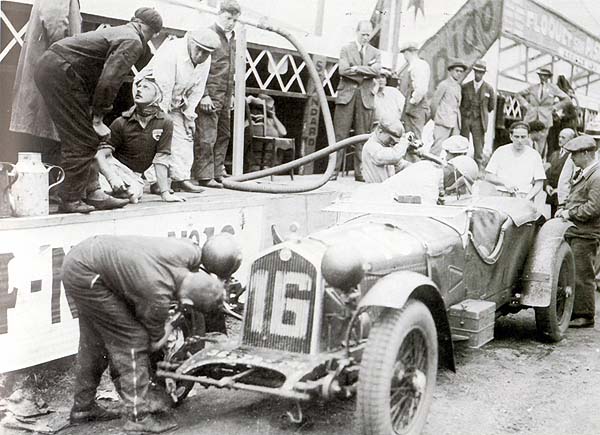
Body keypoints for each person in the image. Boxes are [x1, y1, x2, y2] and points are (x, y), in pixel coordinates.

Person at [62, 235, 225, 432]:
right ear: (189, 303)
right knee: (133, 340)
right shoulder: (157, 296)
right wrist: (173, 323)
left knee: (94, 339)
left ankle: (83, 408)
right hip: (88, 274)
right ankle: (138, 417)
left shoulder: (188, 252)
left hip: (86, 256)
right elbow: (153, 343)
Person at [34, 7, 163, 213]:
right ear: (149, 30)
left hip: (55, 67)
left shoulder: (119, 31)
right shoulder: (133, 40)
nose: (147, 41)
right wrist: (99, 117)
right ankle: (71, 199)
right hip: (61, 70)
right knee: (83, 137)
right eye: (150, 36)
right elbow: (110, 80)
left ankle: (92, 191)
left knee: (82, 134)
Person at [139, 29, 221, 193]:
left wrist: (189, 117)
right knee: (156, 135)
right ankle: (156, 181)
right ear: (190, 42)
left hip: (177, 98)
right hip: (152, 95)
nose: (201, 55)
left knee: (185, 135)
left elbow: (197, 89)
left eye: (206, 52)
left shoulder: (206, 60)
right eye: (199, 49)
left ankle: (180, 178)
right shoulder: (172, 51)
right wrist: (163, 119)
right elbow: (164, 87)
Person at [10, 0, 81, 166]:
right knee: (45, 133)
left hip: (46, 73)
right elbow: (56, 27)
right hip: (51, 75)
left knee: (39, 132)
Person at [95, 76, 184, 203]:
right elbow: (100, 155)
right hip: (113, 169)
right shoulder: (122, 122)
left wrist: (165, 193)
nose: (139, 90)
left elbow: (161, 158)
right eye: (139, 86)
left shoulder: (165, 122)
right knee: (104, 188)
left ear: (157, 96)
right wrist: (112, 178)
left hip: (134, 176)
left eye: (145, 87)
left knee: (133, 194)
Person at [193, 0, 242, 189]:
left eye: (234, 20)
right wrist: (203, 94)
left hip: (225, 94)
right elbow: (200, 65)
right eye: (228, 18)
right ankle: (204, 176)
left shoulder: (234, 39)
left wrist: (232, 95)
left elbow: (231, 71)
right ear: (219, 14)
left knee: (224, 134)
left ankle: (216, 171)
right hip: (210, 93)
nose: (231, 22)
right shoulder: (209, 34)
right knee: (206, 136)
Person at [555, 135, 600, 328]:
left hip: (586, 232)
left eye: (574, 154)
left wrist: (568, 213)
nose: (571, 158)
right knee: (576, 272)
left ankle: (585, 315)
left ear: (586, 153)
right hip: (578, 231)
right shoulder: (587, 172)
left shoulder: (596, 176)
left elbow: (593, 208)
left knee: (583, 274)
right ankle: (576, 311)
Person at [332, 20, 381, 182]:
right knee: (340, 135)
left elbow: (377, 71)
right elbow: (343, 70)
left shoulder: (375, 52)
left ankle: (360, 172)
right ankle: (332, 171)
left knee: (362, 136)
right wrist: (367, 71)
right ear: (357, 32)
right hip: (347, 96)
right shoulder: (346, 49)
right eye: (363, 34)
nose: (366, 37)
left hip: (365, 98)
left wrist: (356, 69)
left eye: (368, 35)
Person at [516, 67, 570, 160]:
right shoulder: (533, 87)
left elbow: (567, 99)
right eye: (541, 75)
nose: (542, 77)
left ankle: (536, 163)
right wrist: (526, 105)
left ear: (548, 77)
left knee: (541, 145)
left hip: (545, 119)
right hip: (531, 118)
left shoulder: (553, 88)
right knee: (526, 141)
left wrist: (554, 108)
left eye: (545, 75)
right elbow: (518, 94)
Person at [484, 121, 546, 201]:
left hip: (524, 196)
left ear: (528, 136)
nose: (519, 140)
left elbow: (539, 182)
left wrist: (527, 198)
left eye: (523, 137)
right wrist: (505, 182)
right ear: (511, 136)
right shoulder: (501, 151)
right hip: (501, 195)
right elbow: (488, 176)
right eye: (516, 137)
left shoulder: (534, 155)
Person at [460, 61, 496, 168]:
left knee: (478, 145)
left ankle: (477, 167)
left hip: (479, 121)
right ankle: (462, 164)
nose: (478, 75)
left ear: (484, 73)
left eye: (480, 73)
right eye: (476, 72)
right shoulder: (466, 86)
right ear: (473, 72)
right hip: (466, 119)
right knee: (463, 142)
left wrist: (482, 113)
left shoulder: (489, 88)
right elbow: (460, 103)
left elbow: (491, 106)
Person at [431, 59, 466, 156]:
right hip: (443, 120)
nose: (459, 73)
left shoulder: (458, 87)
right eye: (457, 71)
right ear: (451, 71)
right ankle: (429, 165)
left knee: (454, 147)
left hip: (455, 121)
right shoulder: (444, 84)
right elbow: (434, 103)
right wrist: (437, 117)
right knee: (437, 146)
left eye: (461, 72)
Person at [398, 41, 430, 140]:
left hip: (416, 109)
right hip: (412, 110)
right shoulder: (413, 66)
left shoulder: (418, 66)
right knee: (408, 139)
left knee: (414, 140)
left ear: (408, 53)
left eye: (404, 54)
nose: (404, 57)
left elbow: (421, 89)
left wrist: (412, 102)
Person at [361, 116, 406, 183]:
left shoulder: (384, 146)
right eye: (390, 139)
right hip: (374, 190)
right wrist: (404, 143)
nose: (392, 143)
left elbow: (400, 165)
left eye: (395, 142)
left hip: (385, 189)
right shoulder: (371, 146)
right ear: (380, 131)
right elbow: (394, 156)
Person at [545, 128, 576, 215]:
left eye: (563, 137)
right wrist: (547, 185)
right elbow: (548, 173)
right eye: (559, 137)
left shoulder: (572, 156)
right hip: (552, 195)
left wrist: (559, 189)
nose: (560, 139)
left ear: (570, 140)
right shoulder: (555, 154)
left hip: (564, 195)